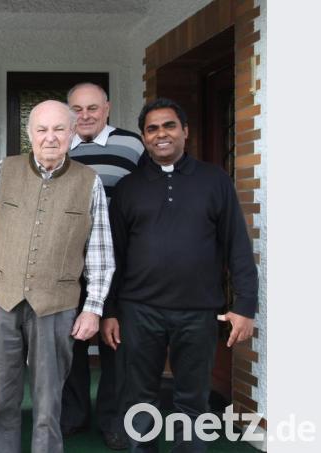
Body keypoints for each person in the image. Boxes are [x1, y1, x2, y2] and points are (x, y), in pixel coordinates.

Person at [109, 98, 257, 453]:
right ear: (144, 137)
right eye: (152, 128)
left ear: (185, 132)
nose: (161, 134)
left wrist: (245, 305)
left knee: (193, 398)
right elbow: (113, 256)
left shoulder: (214, 180)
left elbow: (236, 243)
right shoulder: (129, 188)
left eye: (169, 126)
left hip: (198, 309)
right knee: (138, 397)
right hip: (139, 309)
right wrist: (110, 311)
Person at [0, 100, 115, 453]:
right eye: (42, 130)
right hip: (1, 298)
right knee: (3, 392)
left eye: (59, 129)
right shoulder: (4, 170)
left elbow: (100, 252)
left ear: (72, 132)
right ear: (29, 134)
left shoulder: (89, 181)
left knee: (50, 398)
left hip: (57, 303)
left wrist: (93, 308)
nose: (50, 138)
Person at [61, 82, 145, 450]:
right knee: (70, 340)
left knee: (115, 341)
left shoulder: (132, 144)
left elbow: (149, 193)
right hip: (69, 261)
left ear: (107, 108)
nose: (85, 115)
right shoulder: (60, 146)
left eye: (92, 108)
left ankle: (114, 420)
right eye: (77, 109)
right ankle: (74, 415)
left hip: (121, 260)